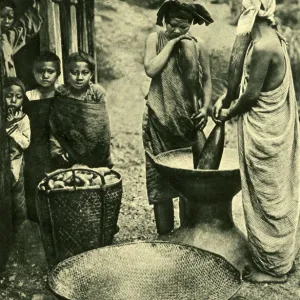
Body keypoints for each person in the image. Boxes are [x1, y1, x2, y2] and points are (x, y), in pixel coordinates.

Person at [213, 0, 300, 283]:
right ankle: (278, 256)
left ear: (250, 10)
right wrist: (224, 97)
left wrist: (228, 112)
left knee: (268, 193)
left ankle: (275, 269)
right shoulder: (261, 36)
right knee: (270, 191)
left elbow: (251, 97)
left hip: (267, 132)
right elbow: (239, 73)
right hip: (267, 127)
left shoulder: (264, 46)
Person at [143, 0, 213, 235]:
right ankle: (165, 237)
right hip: (159, 119)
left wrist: (205, 107)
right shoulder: (155, 39)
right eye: (173, 25)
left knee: (188, 182)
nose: (178, 31)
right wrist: (172, 43)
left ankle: (186, 235)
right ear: (165, 21)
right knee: (159, 183)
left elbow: (207, 80)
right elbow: (151, 69)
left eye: (184, 28)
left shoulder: (199, 45)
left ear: (191, 24)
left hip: (187, 122)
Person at [49, 51, 113, 170]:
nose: (79, 77)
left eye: (85, 73)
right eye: (74, 73)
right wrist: (58, 151)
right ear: (67, 74)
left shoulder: (96, 93)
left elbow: (102, 125)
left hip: (95, 150)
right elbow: (56, 124)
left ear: (91, 74)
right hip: (67, 151)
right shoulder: (62, 93)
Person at [23, 51, 61, 222]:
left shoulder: (62, 96)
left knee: (58, 185)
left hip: (55, 146)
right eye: (40, 71)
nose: (45, 75)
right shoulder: (28, 97)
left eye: (50, 71)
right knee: (35, 184)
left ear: (58, 73)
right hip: (34, 148)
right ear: (34, 73)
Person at [4, 77, 31, 233]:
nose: (13, 100)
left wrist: (13, 130)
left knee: (17, 200)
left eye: (18, 96)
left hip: (16, 163)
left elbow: (26, 143)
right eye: (9, 96)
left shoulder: (23, 119)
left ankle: (19, 234)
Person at [0, 0, 42, 77]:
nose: (6, 21)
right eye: (2, 17)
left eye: (10, 17)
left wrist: (34, 4)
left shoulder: (7, 39)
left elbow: (25, 27)